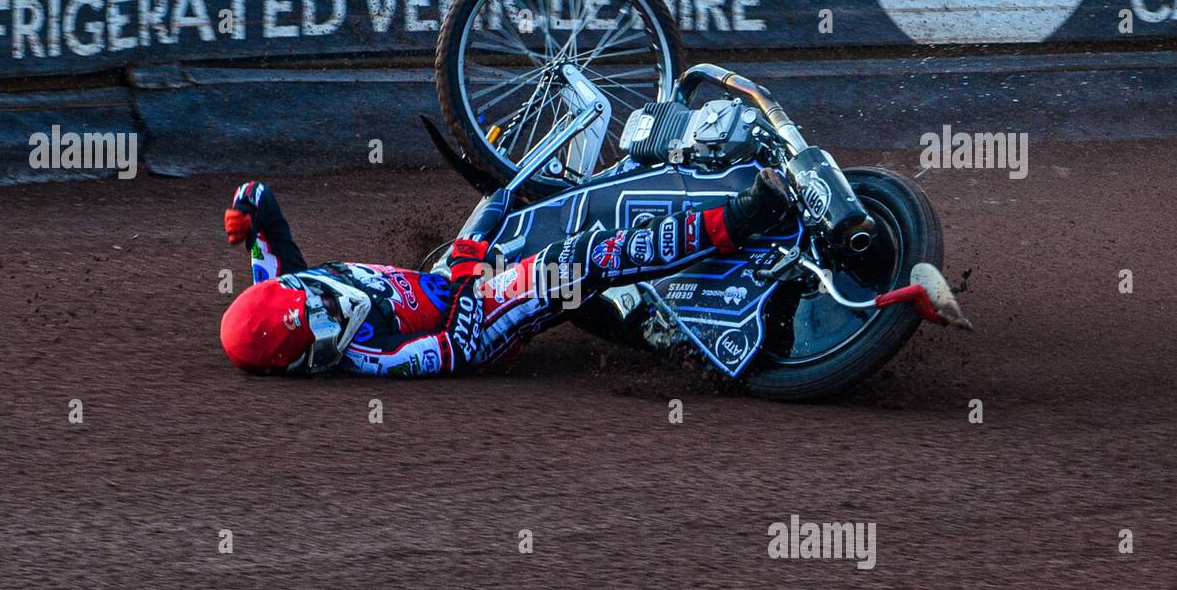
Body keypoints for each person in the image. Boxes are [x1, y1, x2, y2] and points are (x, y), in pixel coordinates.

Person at [218, 172, 791, 377]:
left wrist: (244, 210)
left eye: (321, 312)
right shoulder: (370, 359)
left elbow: (260, 201)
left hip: (447, 276)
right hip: (477, 320)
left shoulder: (277, 287)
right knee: (579, 260)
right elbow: (456, 350)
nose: (332, 332)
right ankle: (740, 219)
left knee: (509, 196)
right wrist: (471, 273)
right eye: (319, 346)